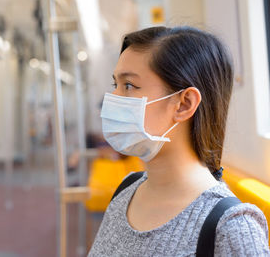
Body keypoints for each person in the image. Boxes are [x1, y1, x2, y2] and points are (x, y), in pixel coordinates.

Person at [88, 26, 270, 256]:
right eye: (116, 85)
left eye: (129, 86)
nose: (112, 99)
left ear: (184, 104)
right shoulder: (126, 191)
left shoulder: (232, 229)